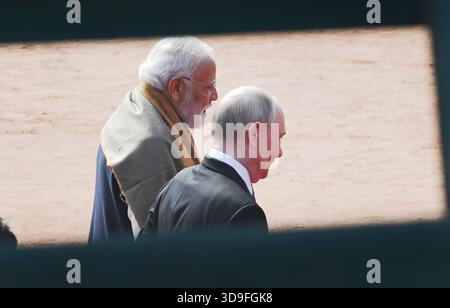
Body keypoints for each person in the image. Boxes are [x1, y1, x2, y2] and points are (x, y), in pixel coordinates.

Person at [89, 37, 218, 243]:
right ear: (176, 87)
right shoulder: (149, 147)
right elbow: (157, 239)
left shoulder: (139, 104)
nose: (215, 96)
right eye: (208, 87)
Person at [139, 86, 286, 237]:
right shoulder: (244, 212)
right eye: (278, 138)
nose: (280, 152)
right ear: (255, 134)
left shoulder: (174, 185)